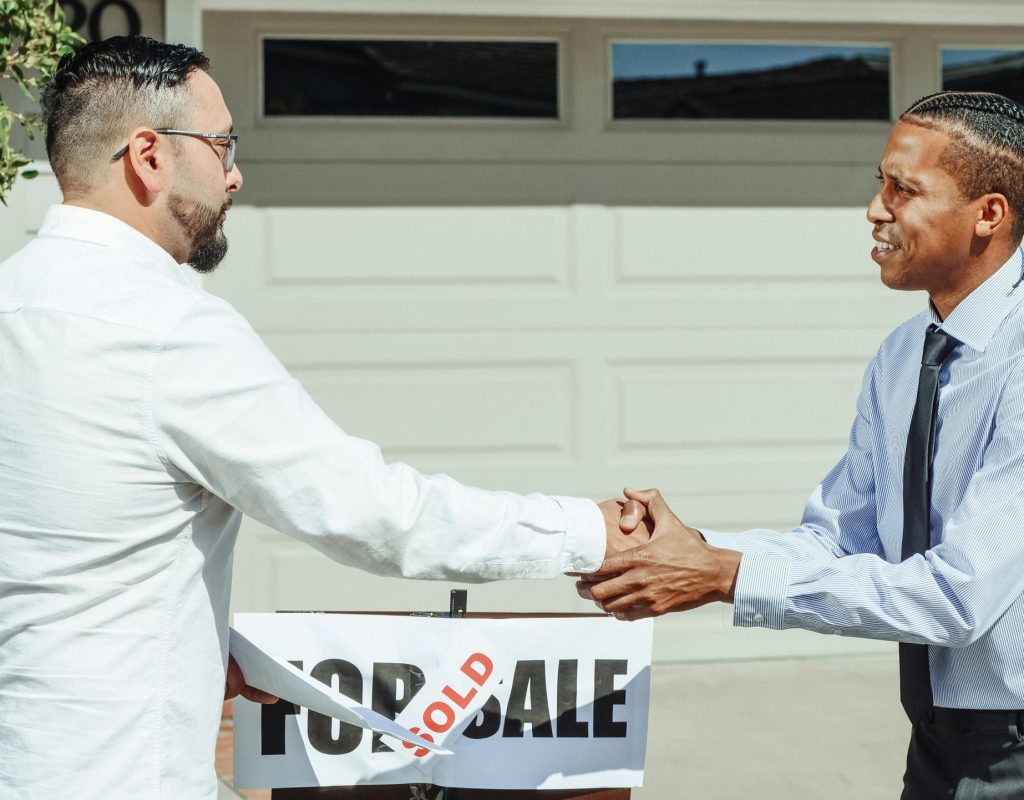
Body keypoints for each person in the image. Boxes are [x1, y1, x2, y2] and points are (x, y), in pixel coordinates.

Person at [0, 36, 645, 799]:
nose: (234, 173)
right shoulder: (165, 328)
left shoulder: (15, 298)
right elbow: (371, 514)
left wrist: (197, 646)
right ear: (148, 155)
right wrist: (596, 533)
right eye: (221, 143)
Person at [582, 90, 1024, 798]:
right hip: (939, 736)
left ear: (989, 215)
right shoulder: (905, 353)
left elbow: (957, 599)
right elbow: (838, 538)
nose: (876, 210)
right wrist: (692, 549)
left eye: (904, 189)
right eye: (879, 183)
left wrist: (723, 576)